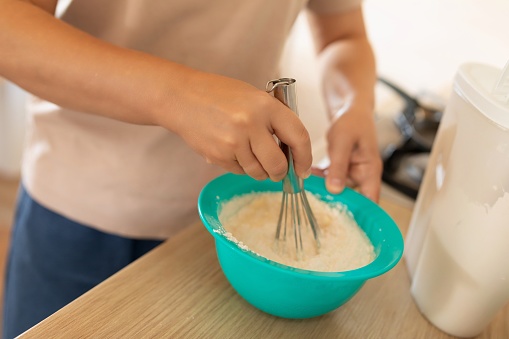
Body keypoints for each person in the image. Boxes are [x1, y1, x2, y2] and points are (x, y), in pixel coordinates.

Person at [0, 0, 381, 337]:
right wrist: (180, 96)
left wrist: (354, 107)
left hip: (231, 235)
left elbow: (343, 35)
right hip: (79, 210)